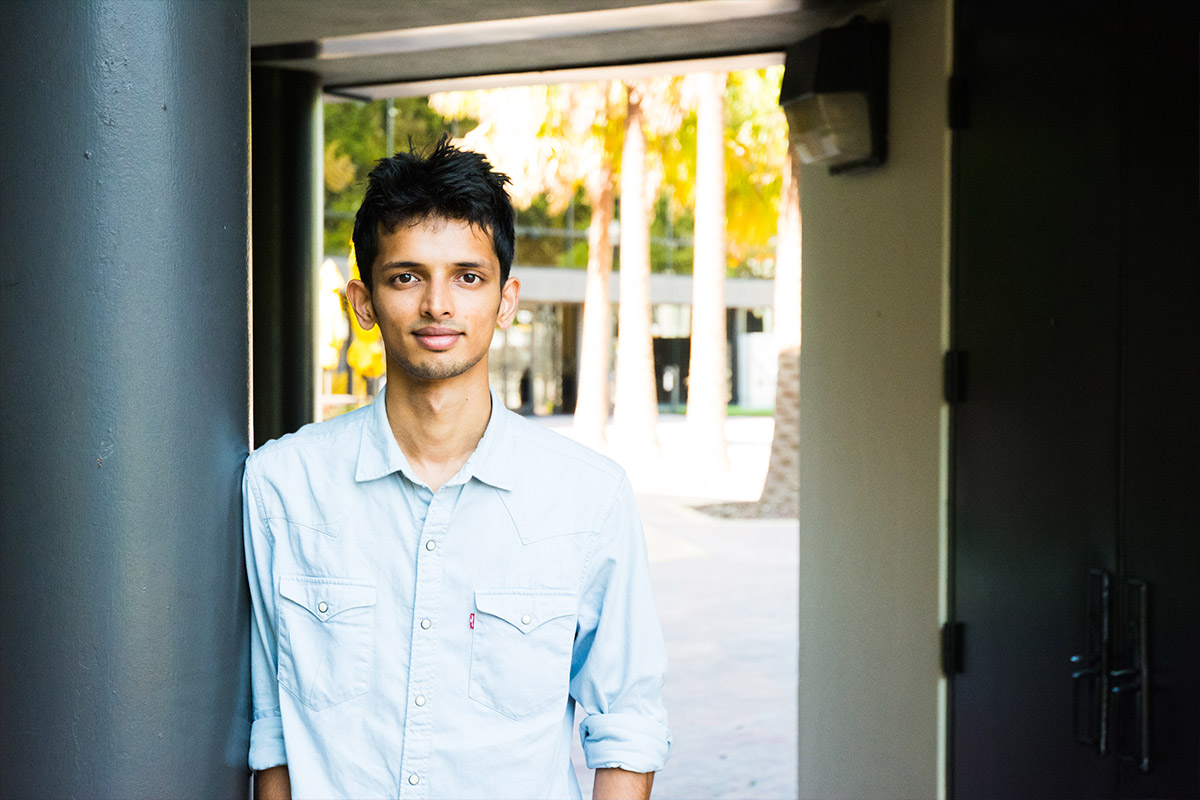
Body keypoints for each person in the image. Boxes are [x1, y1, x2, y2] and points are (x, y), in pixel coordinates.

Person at [243, 138, 671, 800]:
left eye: (468, 277)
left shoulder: (588, 497)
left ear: (505, 300)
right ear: (362, 301)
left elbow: (628, 724)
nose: (438, 305)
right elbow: (272, 730)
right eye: (406, 276)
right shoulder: (282, 486)